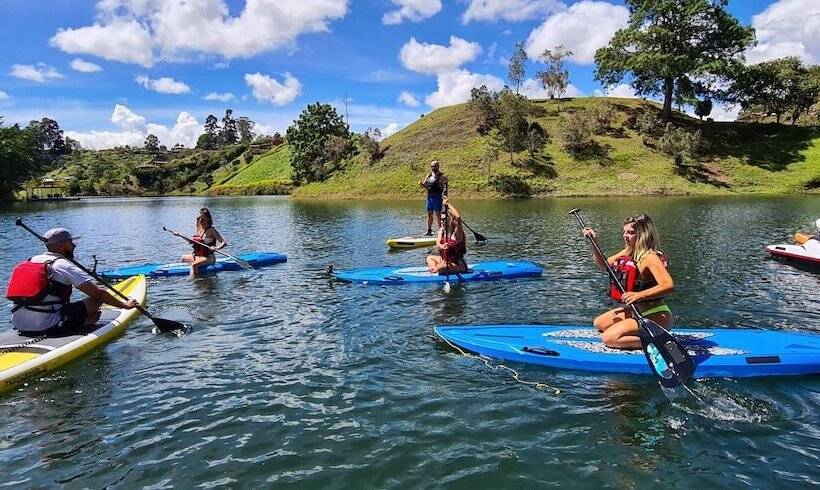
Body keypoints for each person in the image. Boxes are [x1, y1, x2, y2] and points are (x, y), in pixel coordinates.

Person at [8, 228, 138, 335]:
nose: (74, 245)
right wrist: (125, 305)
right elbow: (98, 293)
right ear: (60, 245)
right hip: (46, 324)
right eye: (70, 242)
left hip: (18, 323)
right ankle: (71, 323)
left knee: (87, 308)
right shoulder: (62, 265)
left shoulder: (30, 261)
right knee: (96, 309)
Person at [582, 214, 674, 350]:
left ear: (643, 234)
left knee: (609, 338)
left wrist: (638, 295)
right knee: (599, 324)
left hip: (655, 314)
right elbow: (604, 266)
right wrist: (595, 243)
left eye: (630, 233)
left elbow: (668, 285)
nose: (625, 236)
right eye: (624, 232)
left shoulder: (650, 257)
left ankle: (659, 339)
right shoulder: (629, 252)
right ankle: (638, 332)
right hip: (635, 311)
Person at [426, 197, 468, 274]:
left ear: (450, 220)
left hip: (456, 264)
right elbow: (438, 243)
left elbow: (458, 217)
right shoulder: (442, 231)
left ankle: (436, 269)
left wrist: (448, 204)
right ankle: (436, 269)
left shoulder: (457, 232)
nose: (442, 222)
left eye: (444, 220)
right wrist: (442, 246)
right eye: (441, 220)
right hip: (444, 261)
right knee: (429, 258)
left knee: (442, 269)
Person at [180, 207, 227, 277]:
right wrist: (180, 235)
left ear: (207, 219)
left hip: (208, 257)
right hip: (197, 256)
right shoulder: (199, 228)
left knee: (194, 265)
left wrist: (216, 248)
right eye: (199, 218)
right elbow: (191, 242)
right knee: (183, 258)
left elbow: (224, 242)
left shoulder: (211, 230)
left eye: (202, 218)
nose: (200, 220)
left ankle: (192, 281)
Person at [418, 160, 448, 236]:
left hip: (437, 197)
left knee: (438, 214)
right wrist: (421, 184)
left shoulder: (441, 176)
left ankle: (441, 231)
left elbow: (445, 187)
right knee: (429, 214)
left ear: (438, 166)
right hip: (429, 198)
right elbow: (424, 186)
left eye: (434, 166)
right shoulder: (429, 175)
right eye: (432, 166)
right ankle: (429, 231)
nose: (433, 168)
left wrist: (445, 196)